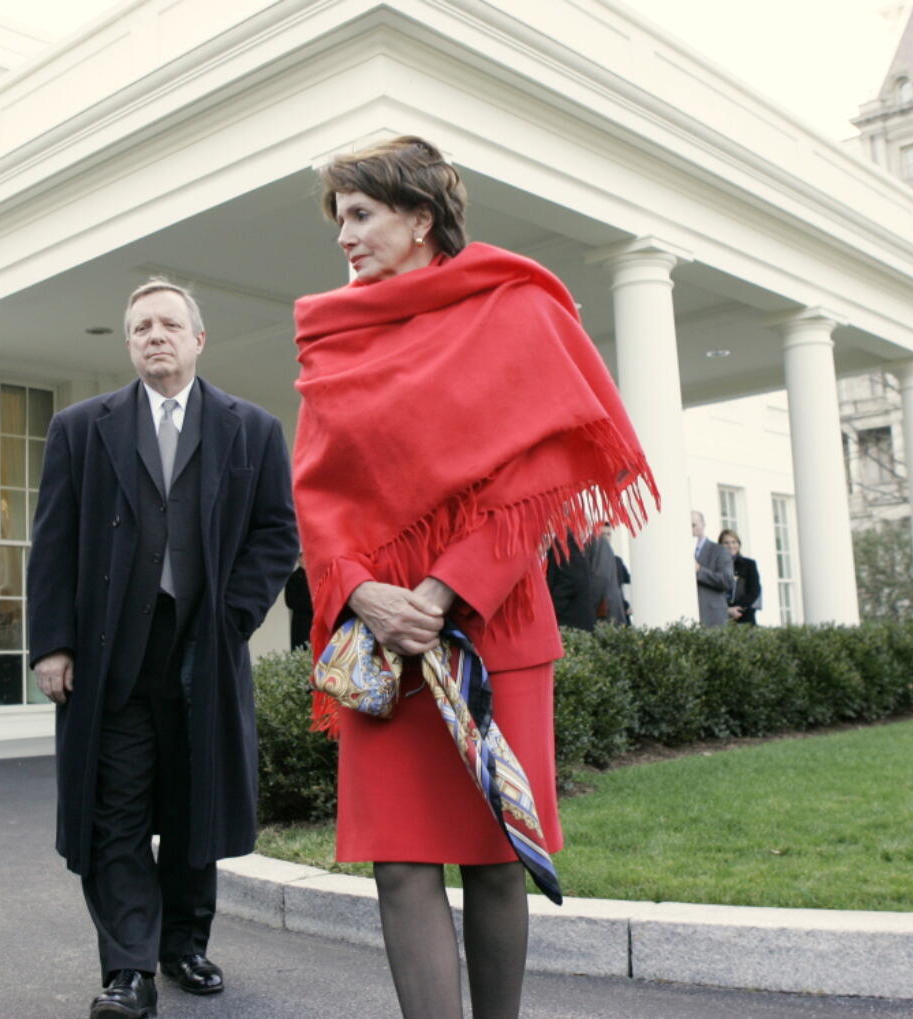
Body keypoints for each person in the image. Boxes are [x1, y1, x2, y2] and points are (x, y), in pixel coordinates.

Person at [291, 135, 656, 1019]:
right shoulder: (332, 334)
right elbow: (317, 486)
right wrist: (362, 593)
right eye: (340, 217)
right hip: (381, 638)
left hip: (491, 625)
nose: (346, 234)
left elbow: (538, 476)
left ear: (420, 218)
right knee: (399, 861)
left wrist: (443, 591)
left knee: (496, 854)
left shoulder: (514, 308)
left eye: (363, 214)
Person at [27, 279, 298, 1019]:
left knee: (192, 803)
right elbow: (51, 541)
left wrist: (231, 618)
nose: (155, 334)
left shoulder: (254, 430)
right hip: (109, 658)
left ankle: (184, 943)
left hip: (201, 654)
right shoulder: (82, 428)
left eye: (169, 323)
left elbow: (278, 533)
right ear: (129, 343)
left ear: (198, 338)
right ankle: (128, 969)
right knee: (112, 812)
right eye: (141, 325)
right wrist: (51, 642)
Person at [692, 509, 733, 627]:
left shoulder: (719, 550)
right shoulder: (678, 552)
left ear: (703, 525)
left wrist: (700, 571)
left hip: (712, 617)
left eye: (693, 525)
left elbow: (727, 581)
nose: (690, 529)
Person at [720, 528, 762, 625]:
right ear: (720, 546)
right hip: (721, 616)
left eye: (734, 542)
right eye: (726, 543)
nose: (731, 546)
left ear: (739, 544)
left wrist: (736, 608)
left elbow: (754, 591)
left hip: (744, 616)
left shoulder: (749, 564)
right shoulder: (715, 566)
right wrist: (727, 610)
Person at [285, 555, 314, 649]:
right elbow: (290, 601)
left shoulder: (315, 575)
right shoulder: (294, 577)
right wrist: (312, 605)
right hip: (301, 621)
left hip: (315, 620)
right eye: (303, 557)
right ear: (299, 560)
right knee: (303, 647)